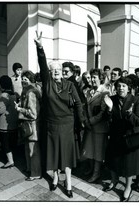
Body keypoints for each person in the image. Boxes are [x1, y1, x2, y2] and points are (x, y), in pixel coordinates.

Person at [34, 31, 85, 198]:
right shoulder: (47, 83)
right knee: (54, 153)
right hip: (52, 124)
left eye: (58, 69)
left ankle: (68, 182)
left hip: (67, 125)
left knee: (67, 155)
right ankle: (55, 177)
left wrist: (81, 122)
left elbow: (78, 103)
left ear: (62, 71)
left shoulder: (69, 85)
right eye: (52, 69)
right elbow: (42, 63)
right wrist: (40, 47)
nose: (56, 71)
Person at [103, 77, 139, 202]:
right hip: (115, 136)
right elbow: (106, 118)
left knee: (128, 164)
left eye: (124, 86)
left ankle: (127, 187)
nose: (121, 88)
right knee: (112, 159)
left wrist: (130, 114)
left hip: (129, 136)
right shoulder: (112, 99)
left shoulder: (135, 99)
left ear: (129, 88)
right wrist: (109, 109)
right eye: (119, 86)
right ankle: (114, 180)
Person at [81, 68, 109, 183]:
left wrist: (90, 121)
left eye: (94, 77)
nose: (91, 80)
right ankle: (92, 169)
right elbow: (85, 108)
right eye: (91, 77)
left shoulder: (105, 92)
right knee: (90, 149)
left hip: (99, 127)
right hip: (90, 127)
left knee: (98, 152)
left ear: (100, 78)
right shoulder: (89, 91)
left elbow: (103, 112)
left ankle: (96, 173)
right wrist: (85, 120)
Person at [15, 70, 42, 181]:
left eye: (25, 79)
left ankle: (35, 173)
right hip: (28, 126)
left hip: (32, 126)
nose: (22, 81)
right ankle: (30, 169)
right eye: (22, 79)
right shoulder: (28, 91)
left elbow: (33, 113)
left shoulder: (31, 92)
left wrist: (20, 109)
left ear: (31, 80)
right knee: (28, 149)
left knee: (32, 151)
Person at [0, 75, 18, 169]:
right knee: (12, 143)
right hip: (14, 123)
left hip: (4, 125)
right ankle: (13, 158)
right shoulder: (14, 95)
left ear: (2, 85)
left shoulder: (3, 96)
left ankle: (10, 161)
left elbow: (1, 110)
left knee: (6, 144)